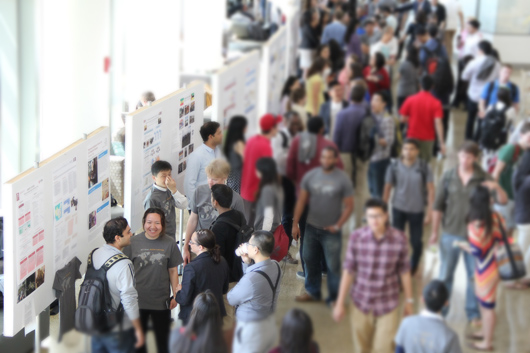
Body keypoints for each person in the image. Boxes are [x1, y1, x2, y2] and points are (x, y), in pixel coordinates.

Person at [430, 141, 507, 326]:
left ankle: (473, 314)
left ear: (476, 158)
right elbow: (437, 206)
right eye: (462, 156)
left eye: (469, 157)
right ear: (458, 155)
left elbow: (503, 201)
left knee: (474, 277)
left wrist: (495, 186)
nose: (465, 160)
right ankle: (442, 310)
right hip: (450, 233)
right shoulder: (448, 176)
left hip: (477, 238)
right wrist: (434, 232)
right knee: (445, 275)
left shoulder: (483, 177)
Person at [333, 199, 413, 353]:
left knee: (383, 348)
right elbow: (349, 270)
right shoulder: (357, 237)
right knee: (362, 348)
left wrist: (409, 301)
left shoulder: (399, 239)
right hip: (361, 302)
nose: (374, 221)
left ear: (386, 216)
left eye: (378, 216)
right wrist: (340, 302)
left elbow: (404, 271)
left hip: (387, 304)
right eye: (370, 216)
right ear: (365, 217)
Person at [293, 146, 354, 304]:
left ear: (335, 160)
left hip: (331, 231)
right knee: (309, 260)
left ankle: (334, 297)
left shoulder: (342, 179)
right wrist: (295, 224)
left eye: (330, 157)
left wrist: (338, 225)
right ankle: (312, 292)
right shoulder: (311, 176)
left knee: (333, 265)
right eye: (324, 157)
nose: (326, 160)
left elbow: (349, 205)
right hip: (311, 227)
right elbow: (301, 201)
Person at [123, 208, 183, 353]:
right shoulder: (132, 242)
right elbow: (124, 270)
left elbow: (173, 270)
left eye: (157, 223)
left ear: (163, 225)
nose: (153, 226)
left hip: (161, 301)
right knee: (138, 342)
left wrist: (175, 296)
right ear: (144, 223)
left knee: (163, 341)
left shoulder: (169, 243)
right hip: (137, 301)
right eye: (149, 222)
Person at [454, 186, 506, 351]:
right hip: (496, 265)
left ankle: (487, 342)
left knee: (487, 306)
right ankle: (484, 332)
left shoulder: (475, 223)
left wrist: (464, 246)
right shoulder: (496, 216)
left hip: (485, 268)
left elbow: (476, 251)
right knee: (485, 304)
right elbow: (502, 237)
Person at [91, 218, 145, 353]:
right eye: (128, 232)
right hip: (116, 327)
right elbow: (129, 299)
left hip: (95, 322)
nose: (131, 234)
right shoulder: (124, 264)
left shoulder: (95, 253)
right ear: (117, 238)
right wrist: (138, 329)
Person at [383, 139, 434, 275]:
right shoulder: (393, 167)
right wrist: (383, 211)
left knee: (416, 242)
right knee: (396, 241)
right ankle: (397, 267)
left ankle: (414, 264)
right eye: (405, 148)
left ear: (417, 151)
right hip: (398, 208)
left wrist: (430, 213)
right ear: (402, 150)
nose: (408, 152)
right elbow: (387, 188)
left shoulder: (424, 167)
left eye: (412, 149)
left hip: (417, 210)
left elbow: (430, 190)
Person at [227, 231, 282, 353]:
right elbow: (254, 283)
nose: (246, 245)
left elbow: (231, 298)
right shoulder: (276, 266)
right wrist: (246, 263)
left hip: (250, 333)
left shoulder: (251, 279)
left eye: (249, 244)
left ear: (256, 250)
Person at [184, 159, 246, 264]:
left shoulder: (236, 199)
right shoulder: (199, 191)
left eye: (215, 179)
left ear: (225, 178)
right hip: (199, 246)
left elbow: (241, 230)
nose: (210, 182)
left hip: (223, 252)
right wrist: (186, 246)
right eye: (208, 177)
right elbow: (193, 220)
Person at [176, 229, 229, 325]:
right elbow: (224, 289)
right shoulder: (222, 261)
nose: (189, 243)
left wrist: (179, 291)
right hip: (216, 316)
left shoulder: (191, 267)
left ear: (200, 247)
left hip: (196, 318)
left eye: (191, 242)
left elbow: (184, 299)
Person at [334, 84, 369, 228]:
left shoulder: (342, 114)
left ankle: (342, 221)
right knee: (360, 189)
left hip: (345, 154)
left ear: (350, 96)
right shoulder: (367, 112)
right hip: (361, 155)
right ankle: (358, 223)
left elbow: (336, 137)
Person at [394, 280, 462, 353]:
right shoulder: (450, 336)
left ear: (422, 299)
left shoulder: (406, 323)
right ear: (446, 303)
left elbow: (398, 350)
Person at [271, 112, 303, 264]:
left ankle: (290, 242)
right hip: (285, 183)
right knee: (287, 217)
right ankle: (284, 250)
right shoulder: (280, 138)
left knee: (291, 215)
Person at [491, 123, 530, 239]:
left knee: (510, 229)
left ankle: (505, 254)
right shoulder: (511, 149)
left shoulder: (527, 153)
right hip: (504, 198)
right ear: (521, 135)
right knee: (499, 229)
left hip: (518, 200)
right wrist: (493, 195)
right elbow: (496, 173)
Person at [240, 114, 281, 224]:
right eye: (277, 126)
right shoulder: (266, 147)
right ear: (272, 129)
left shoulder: (252, 140)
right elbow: (269, 173)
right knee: (258, 230)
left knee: (248, 226)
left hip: (246, 191)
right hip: (257, 194)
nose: (278, 129)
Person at [399, 75, 445, 162]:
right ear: (432, 86)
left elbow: (402, 119)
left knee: (410, 162)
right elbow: (438, 122)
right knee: (424, 165)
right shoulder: (436, 103)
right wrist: (441, 142)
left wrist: (411, 118)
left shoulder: (410, 99)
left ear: (419, 85)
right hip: (428, 139)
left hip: (411, 136)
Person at [462, 40, 501, 141]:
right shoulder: (497, 64)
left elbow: (464, 76)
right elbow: (498, 79)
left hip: (473, 95)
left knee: (470, 118)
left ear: (481, 50)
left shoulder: (474, 62)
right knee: (482, 119)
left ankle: (468, 137)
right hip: (487, 96)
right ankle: (477, 139)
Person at [144, 161, 188, 240]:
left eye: (169, 175)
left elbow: (183, 205)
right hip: (160, 238)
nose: (167, 178)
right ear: (154, 177)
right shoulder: (152, 198)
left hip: (171, 234)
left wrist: (174, 190)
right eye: (163, 176)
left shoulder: (169, 189)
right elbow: (150, 225)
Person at [184, 121, 223, 206]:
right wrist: (196, 205)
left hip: (216, 202)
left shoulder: (218, 151)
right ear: (210, 137)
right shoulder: (196, 156)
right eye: (219, 133)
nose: (222, 135)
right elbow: (189, 184)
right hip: (202, 205)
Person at [367, 91, 395, 199]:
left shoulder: (387, 119)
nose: (373, 102)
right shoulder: (371, 117)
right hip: (370, 159)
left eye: (377, 100)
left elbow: (389, 140)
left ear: (384, 104)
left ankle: (381, 213)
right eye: (372, 99)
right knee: (372, 190)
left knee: (379, 193)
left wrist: (373, 138)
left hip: (380, 161)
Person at [513, 150, 530, 288]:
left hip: (522, 216)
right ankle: (518, 278)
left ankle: (521, 277)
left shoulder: (519, 176)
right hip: (526, 218)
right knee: (523, 250)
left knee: (522, 249)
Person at [254, 158, 283, 233]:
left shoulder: (267, 189)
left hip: (264, 229)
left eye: (257, 169)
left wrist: (264, 234)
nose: (255, 171)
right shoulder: (277, 185)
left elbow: (269, 214)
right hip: (274, 227)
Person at [224, 116, 247, 195]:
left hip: (231, 176)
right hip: (239, 176)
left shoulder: (230, 140)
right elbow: (246, 160)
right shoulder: (239, 143)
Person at [300, 8, 321, 77]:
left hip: (310, 50)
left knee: (309, 69)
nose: (317, 17)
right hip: (307, 50)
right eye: (315, 15)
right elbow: (315, 40)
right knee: (307, 69)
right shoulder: (307, 27)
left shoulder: (310, 27)